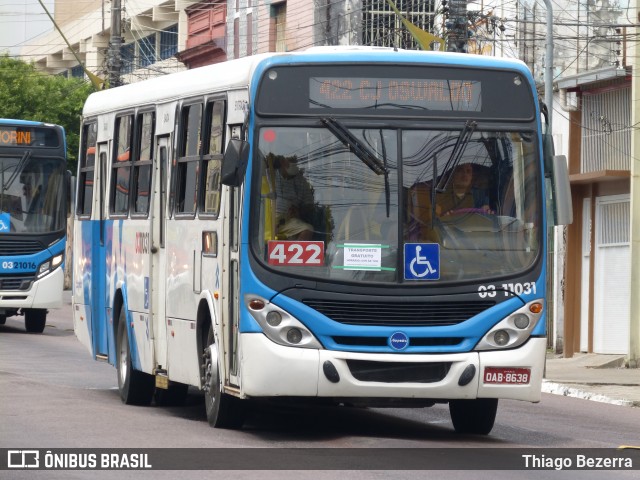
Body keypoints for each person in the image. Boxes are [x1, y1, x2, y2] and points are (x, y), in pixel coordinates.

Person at [272, 154, 314, 240]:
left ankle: (295, 251)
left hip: (288, 220)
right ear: (282, 162)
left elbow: (309, 205)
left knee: (307, 229)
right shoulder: (270, 175)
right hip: (269, 218)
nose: (294, 165)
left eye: (296, 163)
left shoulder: (301, 181)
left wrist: (298, 211)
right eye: (291, 163)